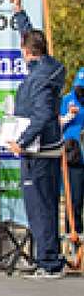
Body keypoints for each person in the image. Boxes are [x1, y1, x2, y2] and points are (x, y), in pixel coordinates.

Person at [7, 0, 67, 278]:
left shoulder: (39, 77)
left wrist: (22, 142)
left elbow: (42, 115)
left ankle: (48, 262)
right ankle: (49, 256)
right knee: (45, 205)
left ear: (27, 52)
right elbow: (29, 36)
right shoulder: (49, 66)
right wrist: (19, 12)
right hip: (46, 148)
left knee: (40, 208)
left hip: (38, 150)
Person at [60, 68, 84, 237]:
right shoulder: (67, 100)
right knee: (74, 202)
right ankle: (74, 240)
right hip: (74, 159)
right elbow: (54, 126)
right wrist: (69, 115)